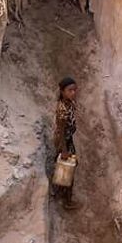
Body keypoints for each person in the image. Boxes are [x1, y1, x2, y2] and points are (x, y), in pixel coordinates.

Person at [53, 77, 80, 210]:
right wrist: (64, 150)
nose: (73, 93)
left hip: (67, 139)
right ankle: (67, 201)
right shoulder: (62, 110)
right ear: (62, 91)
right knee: (68, 169)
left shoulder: (68, 102)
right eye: (70, 90)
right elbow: (62, 132)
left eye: (74, 90)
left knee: (64, 166)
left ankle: (58, 190)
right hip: (64, 141)